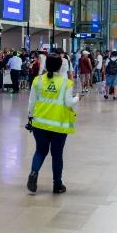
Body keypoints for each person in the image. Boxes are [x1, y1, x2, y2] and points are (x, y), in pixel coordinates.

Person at [27, 54, 79, 195]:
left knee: (40, 151)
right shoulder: (66, 83)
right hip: (58, 125)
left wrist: (30, 117)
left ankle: (33, 173)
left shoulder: (37, 81)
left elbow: (31, 102)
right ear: (60, 66)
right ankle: (57, 185)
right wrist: (77, 98)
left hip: (39, 123)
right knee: (57, 155)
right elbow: (69, 103)